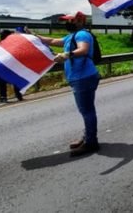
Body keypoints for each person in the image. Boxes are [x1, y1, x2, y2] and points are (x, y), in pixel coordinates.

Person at [33, 11, 101, 157]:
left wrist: (66, 55)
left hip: (84, 77)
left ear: (80, 21)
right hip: (80, 77)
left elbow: (83, 49)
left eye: (70, 21)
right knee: (86, 110)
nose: (67, 23)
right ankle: (87, 137)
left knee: (87, 111)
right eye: (66, 21)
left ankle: (91, 142)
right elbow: (51, 41)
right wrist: (33, 36)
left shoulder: (82, 34)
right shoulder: (71, 36)